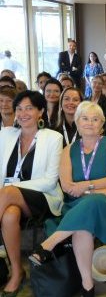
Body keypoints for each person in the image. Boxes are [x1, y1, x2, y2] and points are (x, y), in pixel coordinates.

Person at [29, 101, 106, 297]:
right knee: (82, 227)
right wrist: (96, 191)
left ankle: (48, 244)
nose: (90, 123)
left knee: (92, 206)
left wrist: (86, 187)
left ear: (102, 124)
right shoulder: (68, 150)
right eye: (85, 118)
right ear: (77, 121)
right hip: (77, 205)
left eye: (95, 119)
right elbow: (67, 186)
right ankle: (87, 286)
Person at [0, 90, 63, 296]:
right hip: (7, 199)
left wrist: (13, 189)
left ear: (40, 111)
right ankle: (17, 273)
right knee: (9, 216)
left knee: (8, 192)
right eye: (19, 108)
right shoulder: (5, 135)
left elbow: (49, 181)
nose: (23, 113)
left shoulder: (53, 137)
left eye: (29, 108)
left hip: (43, 197)